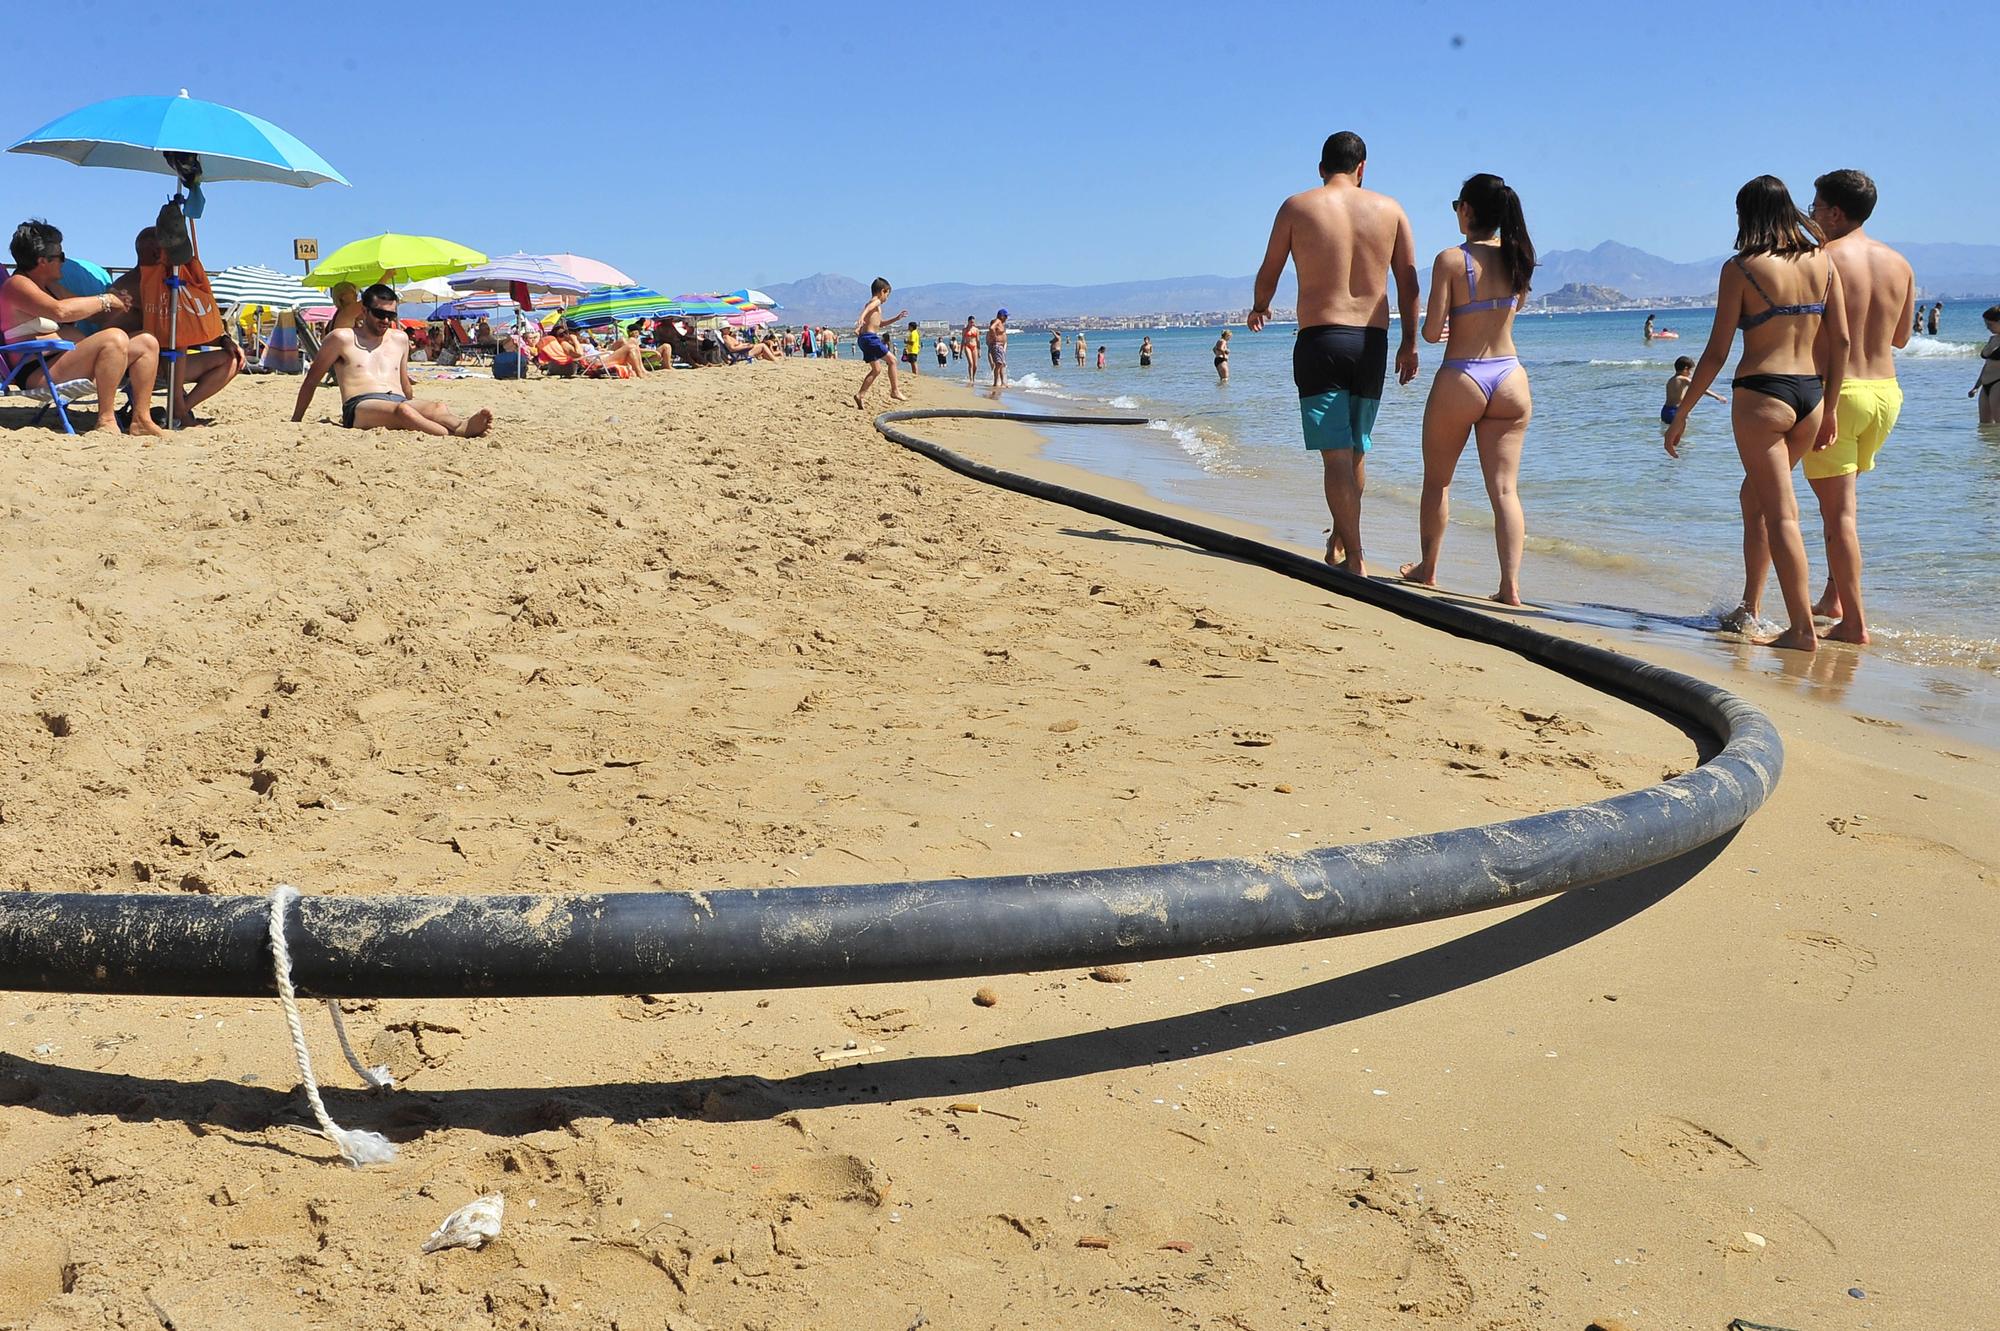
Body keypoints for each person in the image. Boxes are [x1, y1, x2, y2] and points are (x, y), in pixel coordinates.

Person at [1664, 176, 1848, 653]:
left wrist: (1683, 412)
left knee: (1782, 514)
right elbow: (1842, 341)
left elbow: (1716, 352)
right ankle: (1750, 607)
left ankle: (1802, 629)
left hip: (1762, 396)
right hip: (1810, 394)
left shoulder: (1741, 269)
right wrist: (1829, 407)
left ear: (1747, 215)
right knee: (1755, 499)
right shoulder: (1823, 261)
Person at [1249, 130, 1420, 574]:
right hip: (1372, 342)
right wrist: (1410, 341)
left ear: (1321, 167)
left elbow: (1270, 267)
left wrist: (1261, 305)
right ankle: (1342, 544)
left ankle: (1356, 557)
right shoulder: (1391, 210)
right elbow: (1408, 281)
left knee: (1337, 454)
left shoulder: (1298, 206)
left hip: (1321, 340)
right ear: (1362, 169)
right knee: (1356, 449)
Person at [1787, 169, 1915, 644]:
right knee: (1840, 506)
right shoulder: (1900, 263)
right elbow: (1900, 337)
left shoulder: (1824, 259)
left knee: (1839, 515)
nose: (1813, 214)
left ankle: (1854, 624)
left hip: (1837, 393)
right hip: (1885, 393)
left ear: (1836, 212)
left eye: (1816, 207)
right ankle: (1833, 599)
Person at [1396, 174, 1537, 604]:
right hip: (1510, 376)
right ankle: (1509, 587)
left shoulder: (1451, 261)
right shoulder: (1519, 257)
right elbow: (1515, 309)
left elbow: (1432, 330)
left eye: (1458, 203)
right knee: (1506, 490)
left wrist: (1436, 326)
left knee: (1438, 483)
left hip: (1464, 374)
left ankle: (1428, 569)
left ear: (1468, 211)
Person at [2, 219, 165, 436]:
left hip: (64, 362)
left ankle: (141, 420)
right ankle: (106, 419)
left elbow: (92, 313)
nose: (64, 260)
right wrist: (105, 299)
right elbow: (60, 311)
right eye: (60, 256)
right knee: (114, 338)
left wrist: (119, 302)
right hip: (38, 371)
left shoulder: (50, 287)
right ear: (42, 261)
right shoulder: (17, 285)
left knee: (147, 342)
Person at [293, 283, 492, 437]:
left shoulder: (400, 339)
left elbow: (403, 381)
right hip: (360, 405)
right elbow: (311, 380)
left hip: (397, 400)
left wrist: (416, 406)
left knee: (437, 407)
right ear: (364, 311)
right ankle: (457, 433)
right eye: (380, 314)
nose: (386, 320)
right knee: (404, 412)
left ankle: (459, 424)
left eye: (391, 315)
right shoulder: (342, 338)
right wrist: (296, 420)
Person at [107, 225, 242, 426]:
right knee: (176, 335)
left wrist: (223, 339)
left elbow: (190, 326)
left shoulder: (165, 284)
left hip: (165, 362)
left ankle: (181, 408)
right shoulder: (131, 286)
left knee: (232, 359)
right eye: (171, 251)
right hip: (135, 364)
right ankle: (179, 407)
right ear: (158, 253)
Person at [852, 277, 908, 408]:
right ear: (883, 291)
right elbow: (869, 307)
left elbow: (880, 324)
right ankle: (895, 391)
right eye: (887, 295)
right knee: (892, 361)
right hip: (870, 338)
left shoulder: (875, 306)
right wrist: (860, 316)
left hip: (864, 339)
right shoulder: (875, 301)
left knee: (876, 370)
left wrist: (896, 318)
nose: (886, 299)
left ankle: (860, 394)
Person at [1661, 354, 1727, 432]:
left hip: (1665, 411)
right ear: (1686, 369)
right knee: (1680, 437)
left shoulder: (1671, 380)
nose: (1691, 373)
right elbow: (1699, 388)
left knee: (1668, 434)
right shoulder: (1683, 379)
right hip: (1675, 412)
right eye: (1691, 370)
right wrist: (1717, 396)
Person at [1972, 305, 2000, 423]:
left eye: (1990, 324)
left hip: (1998, 383)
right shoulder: (1992, 339)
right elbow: (1987, 365)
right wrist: (1976, 386)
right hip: (1985, 385)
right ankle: (1989, 442)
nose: (1987, 327)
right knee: (1984, 426)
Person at [987, 308, 1009, 388]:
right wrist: (995, 336)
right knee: (998, 364)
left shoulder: (1001, 323)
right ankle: (996, 383)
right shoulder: (997, 321)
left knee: (1001, 364)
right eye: (1006, 316)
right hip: (997, 345)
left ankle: (1003, 382)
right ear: (1001, 316)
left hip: (1000, 346)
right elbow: (991, 328)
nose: (1007, 318)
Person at [962, 315, 980, 385]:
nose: (972, 323)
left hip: (974, 346)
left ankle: (973, 377)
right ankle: (971, 379)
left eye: (973, 322)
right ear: (968, 322)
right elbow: (963, 340)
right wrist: (960, 351)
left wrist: (979, 350)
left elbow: (978, 341)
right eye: (971, 322)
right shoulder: (964, 330)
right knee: (971, 363)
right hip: (967, 346)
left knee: (975, 365)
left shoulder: (976, 330)